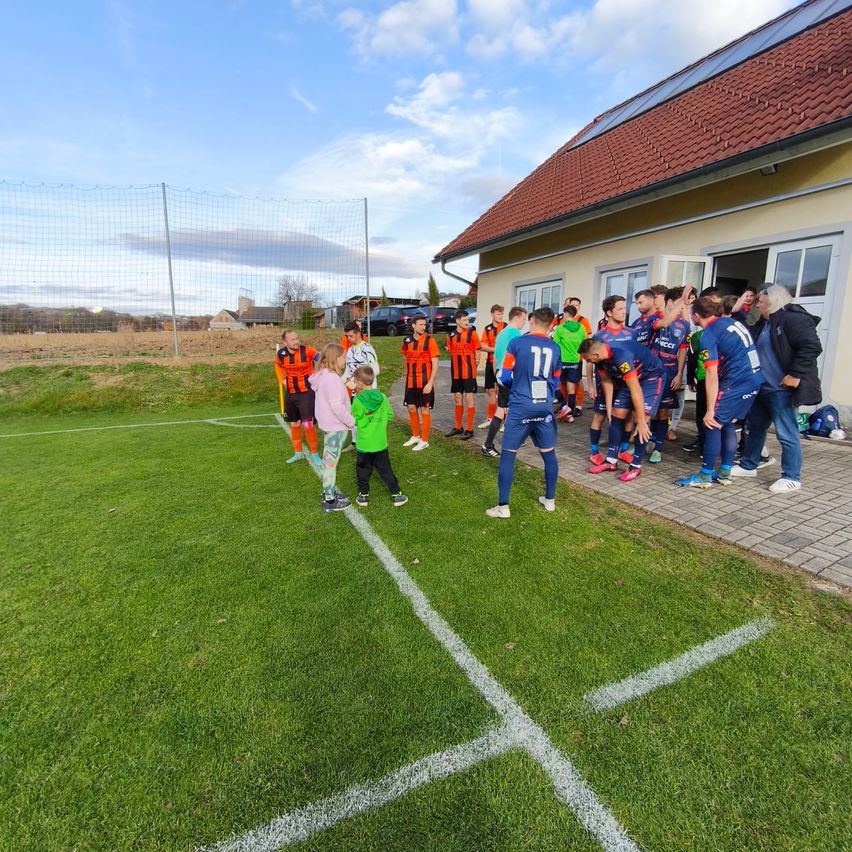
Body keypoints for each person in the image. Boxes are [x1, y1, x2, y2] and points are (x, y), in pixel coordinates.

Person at [731, 284, 822, 492]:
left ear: (772, 302)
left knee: (786, 433)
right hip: (762, 387)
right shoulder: (765, 323)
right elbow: (743, 333)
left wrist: (795, 374)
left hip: (782, 390)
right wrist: (737, 310)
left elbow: (811, 347)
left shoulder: (794, 319)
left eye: (760, 302)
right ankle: (748, 465)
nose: (757, 306)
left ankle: (792, 477)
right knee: (754, 428)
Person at [676, 296, 762, 488]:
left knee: (712, 423)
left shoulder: (708, 335)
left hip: (736, 382)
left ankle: (705, 475)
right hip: (754, 379)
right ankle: (724, 472)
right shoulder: (729, 322)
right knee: (728, 423)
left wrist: (709, 410)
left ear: (696, 316)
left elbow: (711, 374)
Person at [486, 307, 562, 518]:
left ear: (531, 320)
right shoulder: (555, 347)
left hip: (521, 405)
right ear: (551, 323)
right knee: (548, 453)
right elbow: (556, 380)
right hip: (544, 407)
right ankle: (550, 500)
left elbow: (505, 376)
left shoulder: (517, 343)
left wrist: (517, 385)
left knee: (509, 454)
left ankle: (503, 507)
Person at [579, 331, 664, 482]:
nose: (588, 362)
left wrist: (642, 421)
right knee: (617, 413)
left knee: (641, 419)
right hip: (631, 378)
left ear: (596, 355)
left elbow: (635, 389)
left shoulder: (621, 356)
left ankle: (636, 466)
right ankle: (611, 461)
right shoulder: (600, 360)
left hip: (651, 378)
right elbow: (606, 381)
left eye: (588, 359)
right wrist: (609, 407)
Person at [350, 365, 408, 507]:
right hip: (380, 442)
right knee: (385, 469)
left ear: (359, 383)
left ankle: (363, 495)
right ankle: (397, 494)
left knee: (363, 469)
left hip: (364, 444)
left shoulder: (357, 400)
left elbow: (354, 420)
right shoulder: (382, 397)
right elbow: (390, 415)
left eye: (355, 381)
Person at [586, 295, 634, 465]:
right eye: (620, 309)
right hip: (605, 382)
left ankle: (623, 450)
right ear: (609, 312)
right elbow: (590, 362)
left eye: (624, 308)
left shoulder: (631, 333)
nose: (624, 312)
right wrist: (590, 385)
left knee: (628, 416)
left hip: (626, 383)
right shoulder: (600, 336)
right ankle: (594, 452)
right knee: (600, 415)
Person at [647, 286, 691, 462]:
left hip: (669, 373)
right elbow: (662, 324)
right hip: (651, 372)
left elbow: (682, 351)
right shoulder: (656, 318)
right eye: (682, 303)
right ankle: (647, 441)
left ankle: (658, 448)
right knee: (650, 410)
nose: (684, 306)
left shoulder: (683, 325)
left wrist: (679, 374)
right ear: (671, 302)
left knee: (663, 412)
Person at [308, 343, 354, 512]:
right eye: (343, 358)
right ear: (336, 358)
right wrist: (351, 421)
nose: (345, 361)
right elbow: (337, 406)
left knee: (329, 461)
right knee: (330, 464)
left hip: (328, 425)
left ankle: (329, 491)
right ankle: (330, 500)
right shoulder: (332, 379)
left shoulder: (324, 375)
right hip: (335, 427)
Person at [481, 306, 526, 458]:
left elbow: (496, 358)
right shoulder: (515, 333)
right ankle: (489, 444)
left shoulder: (501, 333)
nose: (525, 322)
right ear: (517, 317)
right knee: (509, 408)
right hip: (509, 374)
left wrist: (496, 377)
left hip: (500, 373)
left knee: (506, 407)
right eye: (524, 319)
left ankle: (509, 440)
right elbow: (519, 357)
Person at [276, 330, 321, 465]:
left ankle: (314, 453)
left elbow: (322, 360)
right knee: (294, 423)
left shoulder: (308, 351)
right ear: (285, 342)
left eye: (297, 338)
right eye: (292, 339)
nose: (296, 341)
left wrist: (317, 375)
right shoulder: (281, 354)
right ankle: (298, 453)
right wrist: (282, 380)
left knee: (307, 423)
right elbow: (278, 366)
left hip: (306, 393)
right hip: (290, 393)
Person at [401, 315, 440, 452]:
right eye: (421, 324)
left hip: (424, 382)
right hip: (411, 381)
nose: (424, 327)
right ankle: (416, 436)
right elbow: (405, 354)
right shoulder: (406, 341)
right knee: (411, 407)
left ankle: (424, 441)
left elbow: (435, 364)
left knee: (424, 410)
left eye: (425, 325)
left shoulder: (430, 341)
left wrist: (430, 383)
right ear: (413, 325)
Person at [444, 309, 481, 440]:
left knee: (469, 398)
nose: (467, 322)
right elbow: (451, 351)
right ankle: (458, 427)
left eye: (467, 319)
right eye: (464, 320)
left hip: (469, 372)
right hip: (456, 372)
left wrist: (473, 367)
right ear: (457, 321)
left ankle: (469, 429)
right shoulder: (450, 335)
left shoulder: (472, 333)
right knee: (457, 398)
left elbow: (478, 352)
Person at [552, 305, 587, 422]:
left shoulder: (560, 328)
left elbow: (555, 345)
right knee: (571, 388)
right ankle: (570, 414)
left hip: (562, 360)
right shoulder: (581, 328)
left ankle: (564, 406)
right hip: (575, 360)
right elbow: (584, 343)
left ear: (566, 314)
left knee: (557, 385)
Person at [478, 305, 506, 429]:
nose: (500, 316)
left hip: (503, 364)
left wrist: (495, 350)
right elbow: (482, 346)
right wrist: (496, 349)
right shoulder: (487, 328)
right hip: (490, 363)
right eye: (498, 314)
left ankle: (505, 420)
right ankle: (490, 418)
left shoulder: (506, 328)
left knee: (503, 391)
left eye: (501, 314)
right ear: (492, 314)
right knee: (490, 391)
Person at [565, 297, 593, 412]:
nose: (575, 307)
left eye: (577, 305)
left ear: (579, 307)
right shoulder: (563, 320)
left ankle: (578, 405)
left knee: (577, 380)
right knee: (564, 381)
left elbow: (588, 338)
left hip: (577, 357)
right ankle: (566, 405)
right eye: (573, 305)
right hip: (564, 357)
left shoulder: (583, 321)